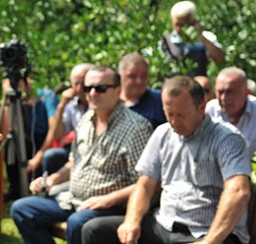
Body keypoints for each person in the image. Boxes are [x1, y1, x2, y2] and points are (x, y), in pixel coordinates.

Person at [82, 76, 251, 244]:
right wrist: (131, 221)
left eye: (181, 115)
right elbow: (144, 185)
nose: (174, 121)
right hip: (164, 225)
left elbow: (238, 191)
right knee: (94, 230)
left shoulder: (226, 138)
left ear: (201, 108)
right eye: (169, 113)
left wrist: (209, 242)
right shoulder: (163, 133)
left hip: (205, 231)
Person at [10, 65, 152, 244]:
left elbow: (145, 183)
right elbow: (74, 162)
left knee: (77, 223)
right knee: (22, 209)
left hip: (111, 206)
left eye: (100, 88)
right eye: (87, 88)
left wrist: (107, 200)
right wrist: (51, 180)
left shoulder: (136, 128)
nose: (92, 93)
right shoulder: (86, 119)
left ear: (118, 90)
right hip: (73, 199)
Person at [26, 63, 92, 176]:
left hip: (95, 150)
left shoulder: (101, 102)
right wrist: (61, 106)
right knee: (51, 156)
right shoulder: (71, 106)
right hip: (77, 151)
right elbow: (58, 135)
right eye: (76, 84)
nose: (80, 88)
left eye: (83, 83)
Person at [206, 67, 256, 158]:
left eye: (230, 92)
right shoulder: (210, 110)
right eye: (220, 92)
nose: (224, 98)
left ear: (246, 93)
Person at [1, 77, 50, 201]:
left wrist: (38, 156)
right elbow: (6, 131)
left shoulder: (45, 95)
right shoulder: (19, 101)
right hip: (27, 138)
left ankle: (33, 187)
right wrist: (9, 99)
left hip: (43, 139)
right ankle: (15, 190)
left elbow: (54, 131)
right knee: (11, 143)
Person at [159, 0, 225, 77]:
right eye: (178, 24)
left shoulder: (207, 38)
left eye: (185, 25)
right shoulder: (165, 41)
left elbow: (219, 59)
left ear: (193, 22)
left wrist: (201, 37)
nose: (180, 29)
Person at [118, 53, 166, 129]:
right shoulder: (110, 101)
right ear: (120, 77)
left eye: (144, 76)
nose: (139, 81)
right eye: (132, 76)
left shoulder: (160, 101)